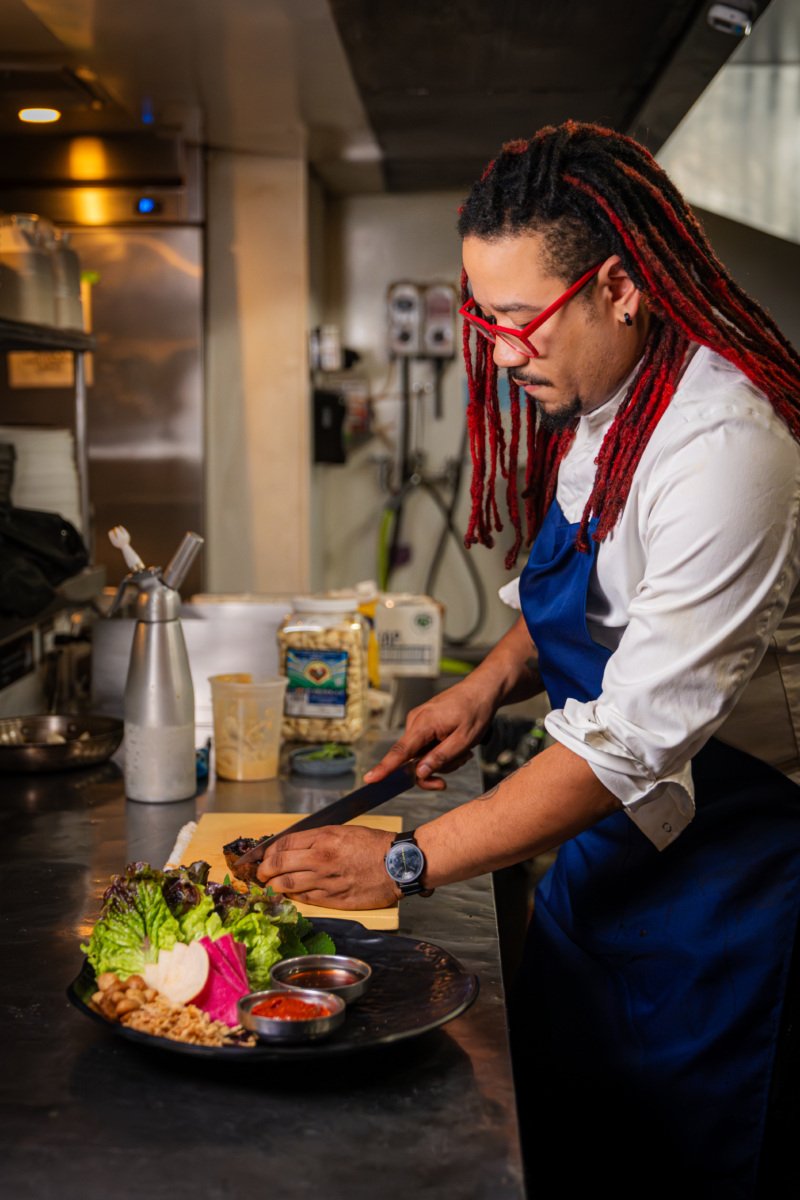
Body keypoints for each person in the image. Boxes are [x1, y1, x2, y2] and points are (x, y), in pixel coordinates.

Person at [258, 122, 800, 1196]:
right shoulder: (607, 402)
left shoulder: (729, 451)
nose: (500, 353)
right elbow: (588, 594)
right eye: (484, 317)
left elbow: (629, 744)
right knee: (563, 1133)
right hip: (607, 852)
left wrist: (401, 861)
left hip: (730, 883)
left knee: (682, 1161)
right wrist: (485, 684)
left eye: (519, 320)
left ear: (619, 289)